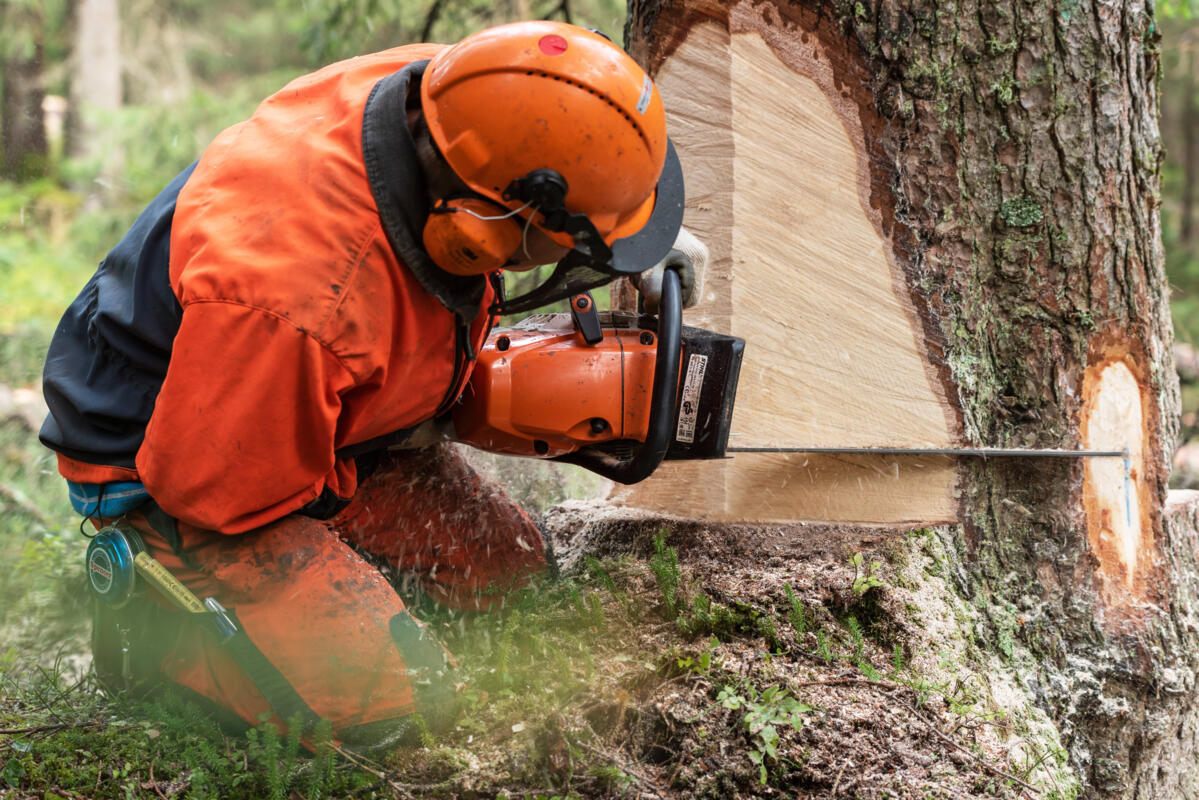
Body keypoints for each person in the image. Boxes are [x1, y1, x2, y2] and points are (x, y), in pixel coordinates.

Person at [39, 20, 699, 749]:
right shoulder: (301, 295)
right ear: (477, 226)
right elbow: (211, 489)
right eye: (563, 243)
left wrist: (625, 235)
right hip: (188, 465)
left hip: (306, 402)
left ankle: (340, 570)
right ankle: (159, 629)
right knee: (399, 711)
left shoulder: (466, 93)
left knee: (514, 580)